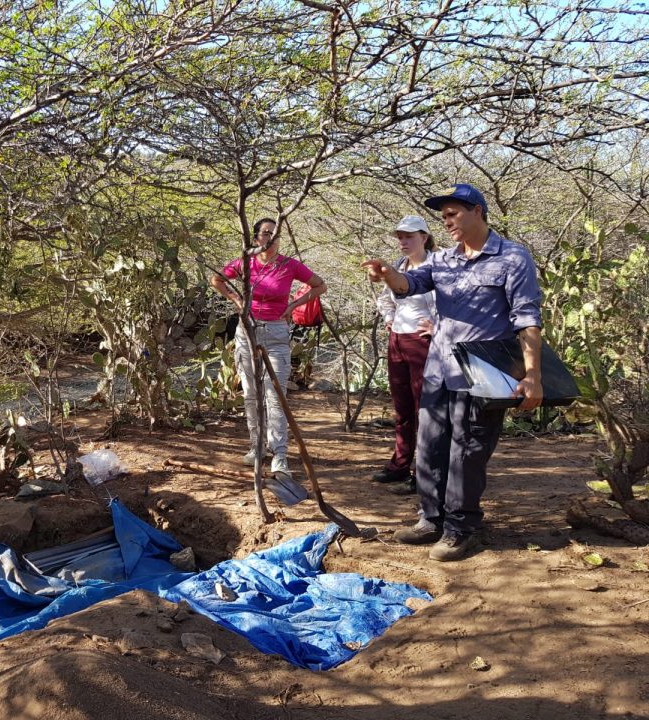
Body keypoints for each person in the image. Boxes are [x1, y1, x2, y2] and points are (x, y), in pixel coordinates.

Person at [362, 184, 543, 562]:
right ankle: (431, 519)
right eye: (443, 216)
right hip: (438, 369)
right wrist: (387, 274)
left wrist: (532, 376)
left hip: (484, 375)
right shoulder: (443, 259)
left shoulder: (512, 258)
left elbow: (526, 318)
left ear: (477, 211)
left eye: (453, 214)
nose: (447, 222)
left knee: (467, 451)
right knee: (430, 447)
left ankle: (462, 528)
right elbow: (410, 284)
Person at [210, 217, 327, 480]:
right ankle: (256, 446)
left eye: (275, 235)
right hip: (247, 331)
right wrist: (237, 300)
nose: (271, 239)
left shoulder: (288, 265)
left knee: (276, 395)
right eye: (266, 233)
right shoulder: (245, 262)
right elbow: (216, 279)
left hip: (276, 331)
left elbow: (320, 285)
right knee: (251, 393)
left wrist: (292, 307)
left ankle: (280, 455)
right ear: (256, 237)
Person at [372, 216, 437, 496]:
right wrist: (389, 318)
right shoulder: (397, 267)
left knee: (425, 409)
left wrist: (438, 326)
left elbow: (450, 302)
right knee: (402, 408)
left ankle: (422, 473)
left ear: (424, 237)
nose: (403, 241)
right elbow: (385, 298)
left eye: (409, 236)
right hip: (397, 339)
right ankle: (399, 464)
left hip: (423, 342)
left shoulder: (438, 265)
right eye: (400, 236)